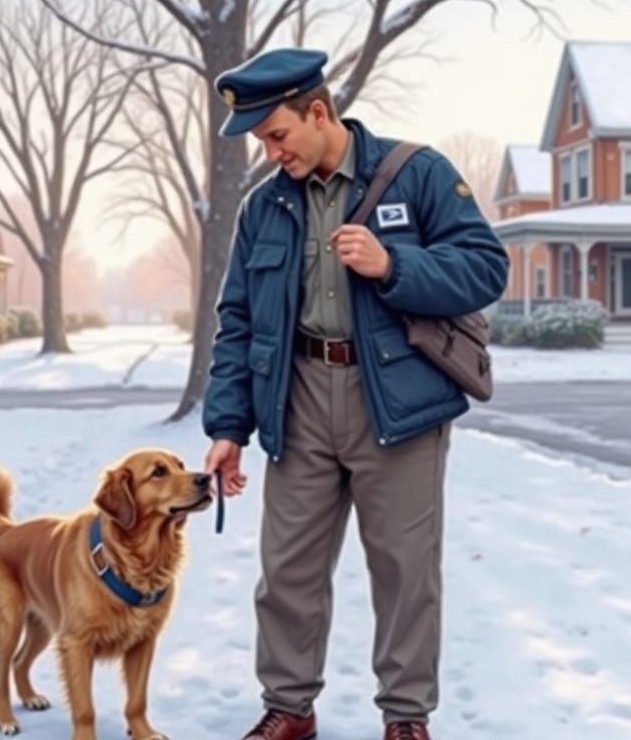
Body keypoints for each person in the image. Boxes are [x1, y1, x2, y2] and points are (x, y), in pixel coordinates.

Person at [202, 48, 509, 740]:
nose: (271, 152)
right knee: (286, 569)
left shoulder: (416, 173)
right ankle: (289, 707)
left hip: (396, 403)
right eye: (261, 142)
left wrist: (394, 262)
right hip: (299, 398)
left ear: (318, 112)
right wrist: (228, 424)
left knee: (404, 571)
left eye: (277, 135)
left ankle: (405, 717)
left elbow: (486, 267)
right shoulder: (265, 207)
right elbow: (239, 320)